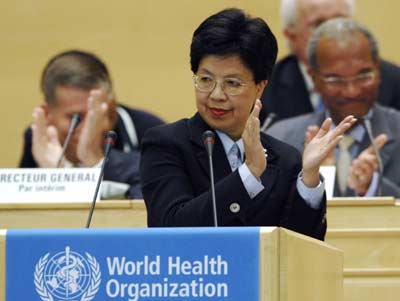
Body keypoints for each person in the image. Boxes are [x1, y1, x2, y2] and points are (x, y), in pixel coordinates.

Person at [140, 8, 356, 240]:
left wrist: (310, 179)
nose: (216, 94)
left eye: (232, 83)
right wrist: (248, 174)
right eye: (205, 80)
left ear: (260, 87)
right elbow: (170, 228)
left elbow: (301, 249)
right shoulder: (166, 144)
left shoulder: (285, 159)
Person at [268, 18, 400, 197]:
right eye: (335, 79)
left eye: (364, 75)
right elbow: (269, 213)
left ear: (378, 70)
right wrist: (312, 181)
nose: (352, 91)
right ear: (313, 78)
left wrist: (373, 186)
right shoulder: (281, 139)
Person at [19, 50, 164, 199]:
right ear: (47, 114)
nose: (90, 128)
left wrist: (96, 161)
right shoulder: (40, 140)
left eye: (99, 113)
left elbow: (158, 204)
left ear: (111, 107)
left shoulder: (151, 131)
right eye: (77, 118)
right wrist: (59, 179)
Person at [259, 0, 400, 125]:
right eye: (318, 24)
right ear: (291, 35)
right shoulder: (263, 89)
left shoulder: (394, 81)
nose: (332, 33)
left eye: (340, 22)